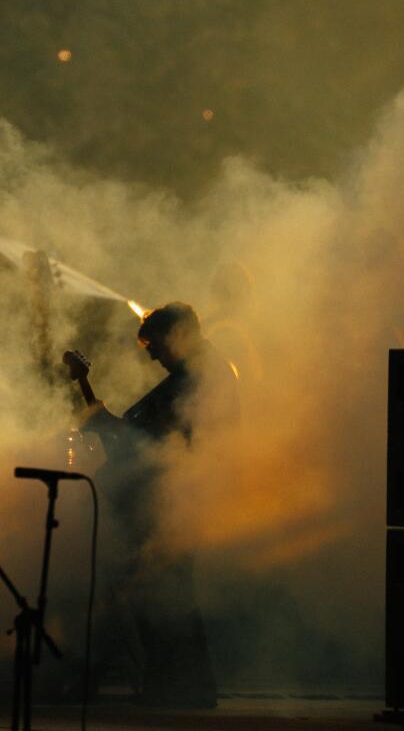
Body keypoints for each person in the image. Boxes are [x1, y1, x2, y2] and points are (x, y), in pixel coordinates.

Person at [64, 301, 237, 708]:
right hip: (172, 500)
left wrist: (85, 387)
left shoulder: (196, 380)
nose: (152, 354)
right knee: (162, 591)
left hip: (171, 502)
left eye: (155, 344)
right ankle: (182, 684)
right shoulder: (195, 375)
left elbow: (138, 441)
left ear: (178, 336)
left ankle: (182, 685)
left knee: (162, 592)